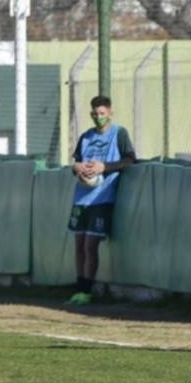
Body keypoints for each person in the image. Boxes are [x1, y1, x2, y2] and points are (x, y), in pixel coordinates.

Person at [67, 95, 136, 305]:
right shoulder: (86, 137)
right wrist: (77, 169)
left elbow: (130, 159)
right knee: (78, 245)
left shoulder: (119, 134)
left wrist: (103, 167)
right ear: (91, 114)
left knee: (90, 245)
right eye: (95, 114)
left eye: (102, 114)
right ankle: (79, 289)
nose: (99, 117)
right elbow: (76, 163)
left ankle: (87, 290)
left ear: (110, 113)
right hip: (81, 198)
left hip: (103, 198)